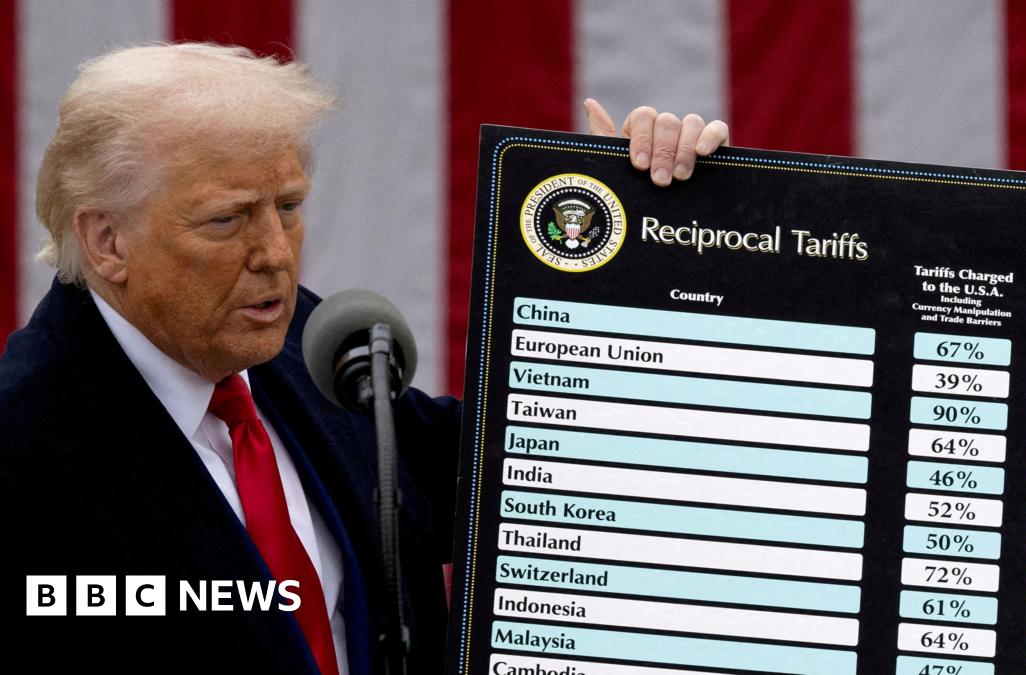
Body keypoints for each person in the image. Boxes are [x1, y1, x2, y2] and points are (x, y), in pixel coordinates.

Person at [0, 43, 727, 675]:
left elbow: (522, 480)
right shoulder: (24, 445)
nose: (276, 254)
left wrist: (641, 247)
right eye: (227, 219)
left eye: (288, 207)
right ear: (107, 241)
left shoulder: (306, 344)